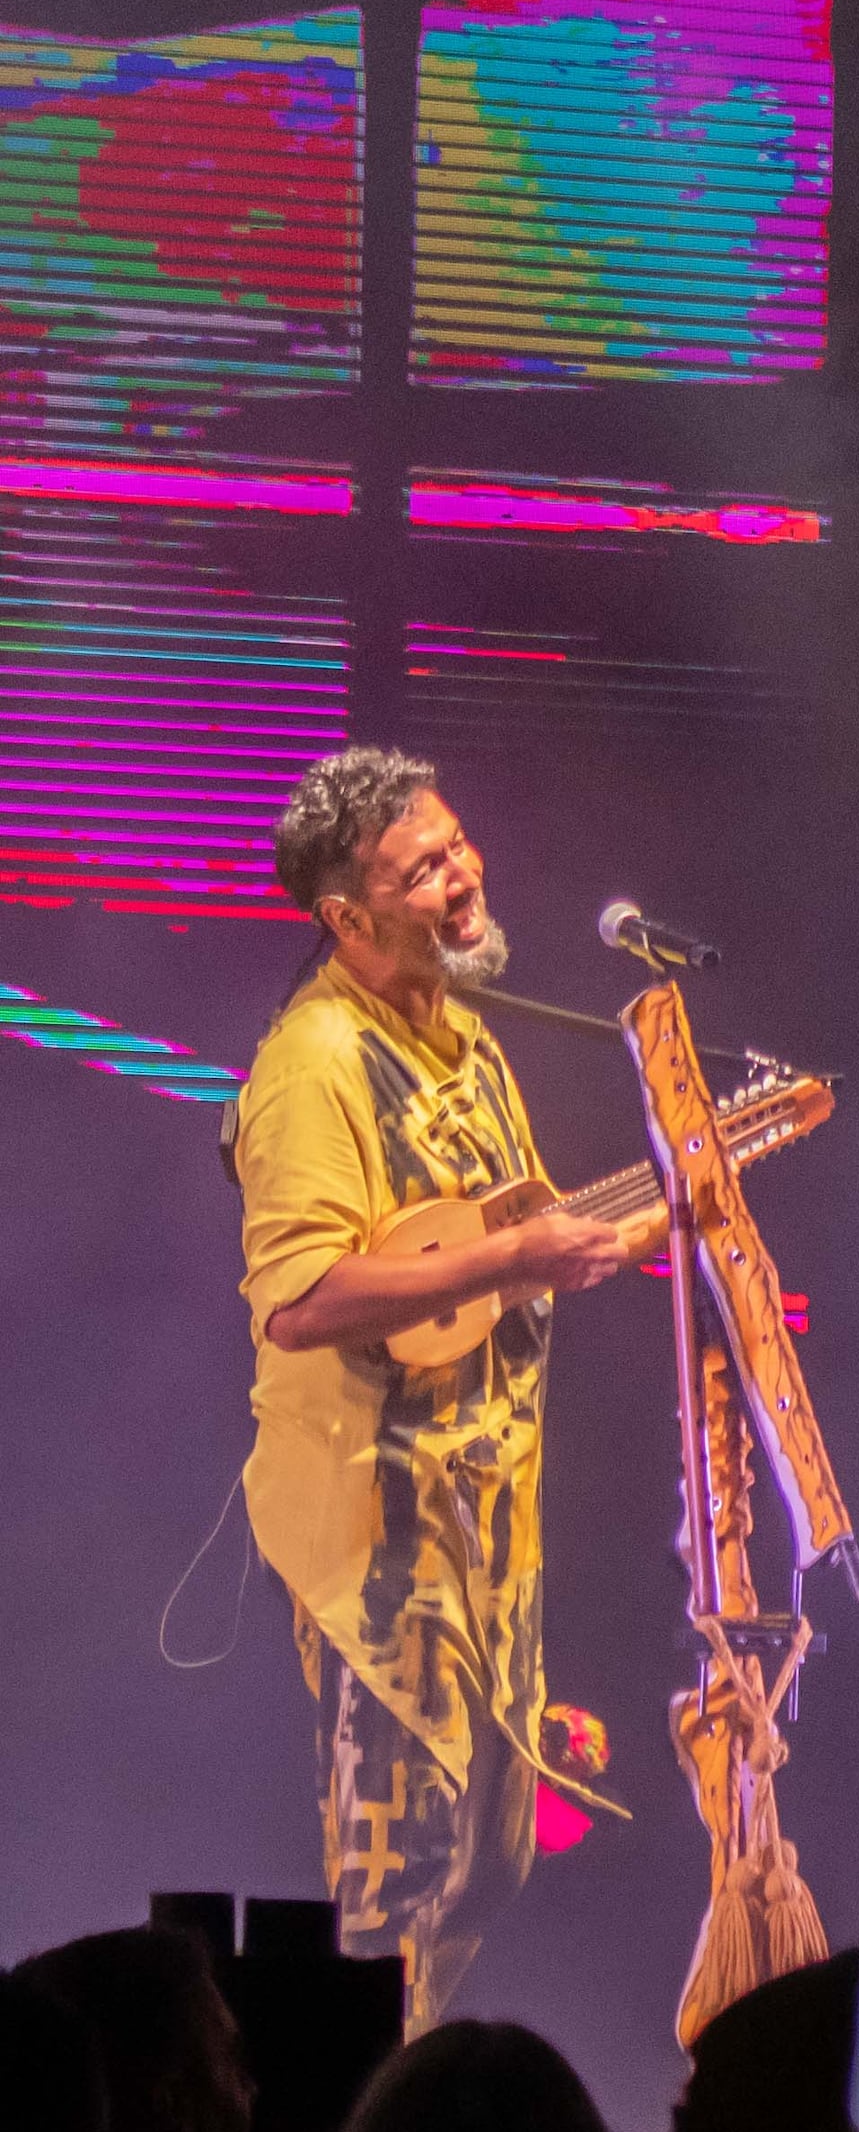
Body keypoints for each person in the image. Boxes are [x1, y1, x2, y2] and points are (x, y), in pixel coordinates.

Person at [223, 750, 638, 2025]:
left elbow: (505, 1238)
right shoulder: (315, 1063)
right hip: (381, 1552)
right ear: (347, 918)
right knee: (395, 1886)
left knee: (486, 1868)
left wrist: (612, 1230)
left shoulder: (458, 1035)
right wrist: (521, 1255)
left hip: (485, 1535)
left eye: (456, 846)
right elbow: (296, 1301)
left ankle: (409, 2103)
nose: (461, 881)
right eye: (421, 871)